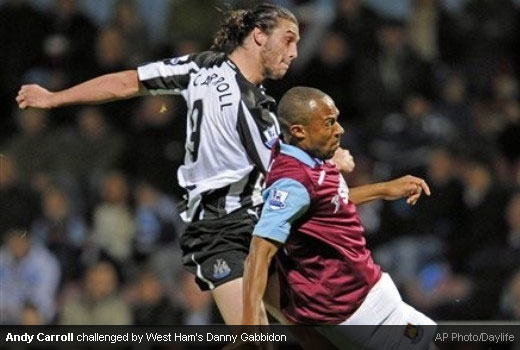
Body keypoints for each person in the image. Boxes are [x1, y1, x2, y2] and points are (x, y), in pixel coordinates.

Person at [16, 4, 351, 329]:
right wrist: (328, 161)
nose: (294, 52)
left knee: (315, 324)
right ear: (259, 35)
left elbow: (126, 83)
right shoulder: (249, 107)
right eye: (289, 39)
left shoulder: (204, 69)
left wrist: (54, 98)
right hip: (220, 231)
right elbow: (126, 83)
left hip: (259, 226)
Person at [242, 87, 437, 349]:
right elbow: (259, 251)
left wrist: (383, 189)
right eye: (329, 123)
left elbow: (326, 201)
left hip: (360, 303)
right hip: (362, 310)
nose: (340, 130)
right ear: (299, 130)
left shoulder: (300, 152)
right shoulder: (293, 184)